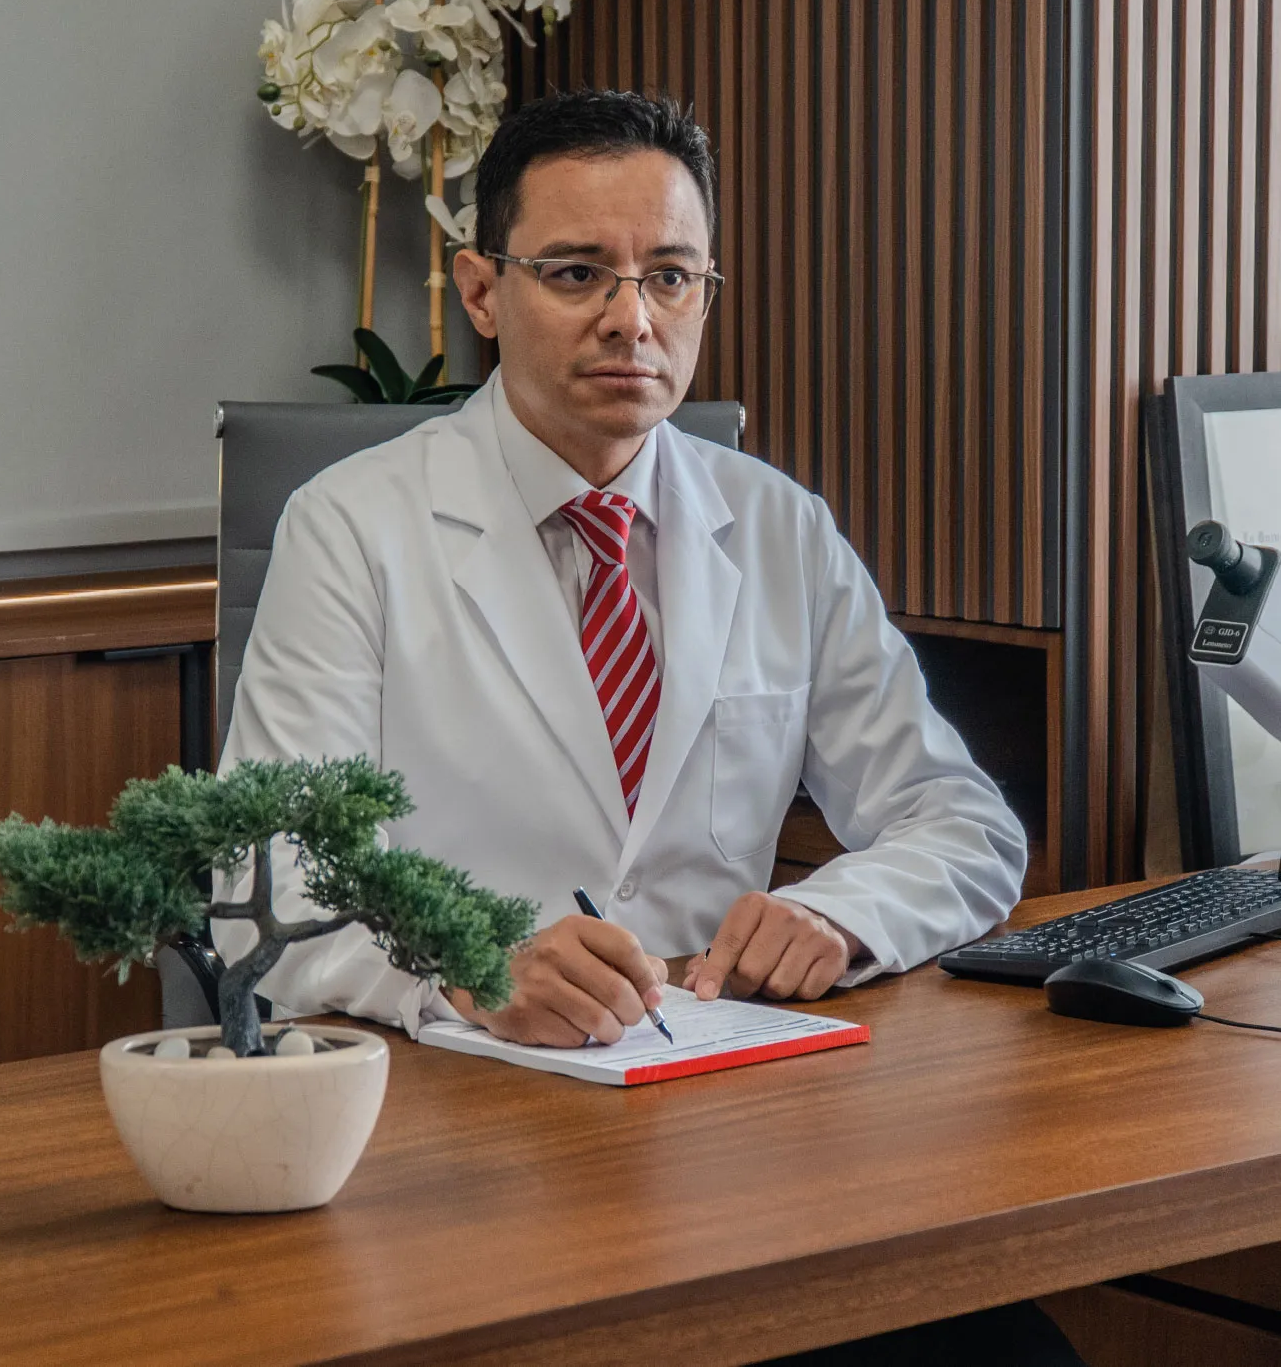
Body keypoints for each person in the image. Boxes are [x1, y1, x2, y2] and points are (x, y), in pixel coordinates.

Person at [216, 89, 1084, 1366]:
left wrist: (840, 910)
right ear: (480, 288)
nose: (633, 317)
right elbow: (257, 889)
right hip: (459, 1140)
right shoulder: (354, 528)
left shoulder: (777, 524)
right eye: (577, 273)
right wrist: (463, 970)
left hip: (730, 1132)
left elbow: (960, 823)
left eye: (671, 276)